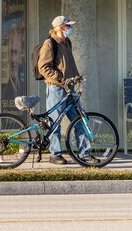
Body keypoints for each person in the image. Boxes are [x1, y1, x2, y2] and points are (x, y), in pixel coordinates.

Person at [37, 15, 97, 165]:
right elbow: (43, 67)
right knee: (54, 123)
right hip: (56, 88)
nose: (70, 29)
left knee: (80, 119)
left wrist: (76, 78)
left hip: (70, 89)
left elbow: (69, 63)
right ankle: (55, 154)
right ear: (59, 28)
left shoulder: (67, 42)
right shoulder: (50, 44)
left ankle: (84, 153)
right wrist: (60, 78)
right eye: (67, 26)